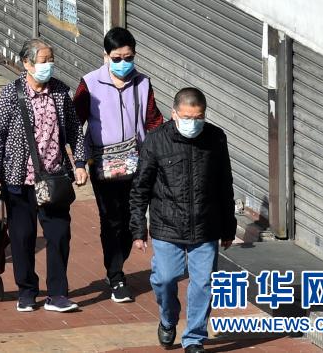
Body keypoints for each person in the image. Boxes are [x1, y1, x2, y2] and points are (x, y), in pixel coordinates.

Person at [0, 38, 87, 313]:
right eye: (43, 61)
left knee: (59, 234)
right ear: (26, 63)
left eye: (51, 59)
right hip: (19, 179)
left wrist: (79, 163)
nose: (48, 65)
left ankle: (57, 294)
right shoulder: (10, 94)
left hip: (54, 179)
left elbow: (75, 131)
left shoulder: (61, 93)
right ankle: (27, 291)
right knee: (23, 236)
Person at [129, 88, 236, 353]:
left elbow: (225, 184)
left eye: (198, 117)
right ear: (174, 113)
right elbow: (140, 187)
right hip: (167, 226)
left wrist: (228, 226)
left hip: (205, 226)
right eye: (187, 117)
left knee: (204, 283)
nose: (193, 123)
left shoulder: (215, 138)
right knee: (166, 278)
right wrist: (138, 229)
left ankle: (194, 338)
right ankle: (168, 318)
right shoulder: (156, 140)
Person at [74, 27, 164, 303]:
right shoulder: (89, 84)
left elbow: (153, 121)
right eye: (117, 57)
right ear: (105, 56)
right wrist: (78, 161)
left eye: (129, 57)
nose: (123, 63)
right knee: (110, 220)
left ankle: (117, 261)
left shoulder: (143, 83)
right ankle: (116, 276)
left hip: (136, 163)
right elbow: (75, 125)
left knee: (131, 220)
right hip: (102, 164)